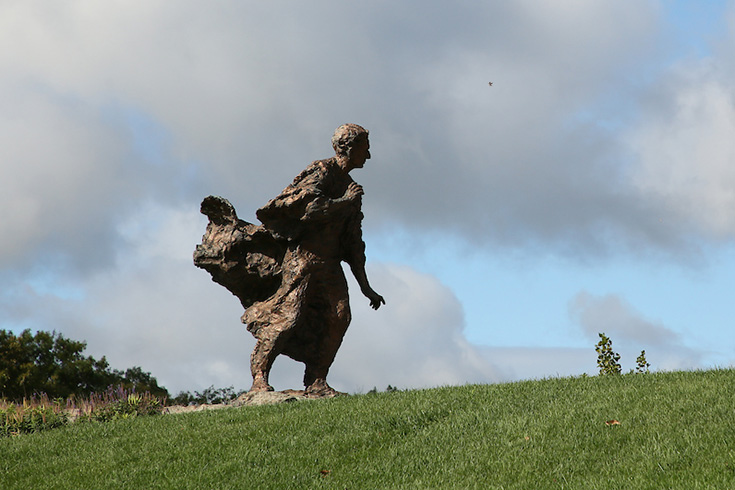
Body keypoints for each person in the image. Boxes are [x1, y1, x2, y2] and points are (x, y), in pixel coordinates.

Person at [241, 123, 385, 395]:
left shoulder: (353, 190)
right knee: (288, 318)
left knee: (339, 316)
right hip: (302, 261)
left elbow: (354, 244)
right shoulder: (321, 171)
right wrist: (343, 201)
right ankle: (259, 378)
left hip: (330, 265)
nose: (368, 156)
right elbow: (309, 208)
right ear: (348, 148)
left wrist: (366, 287)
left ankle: (316, 381)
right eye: (365, 149)